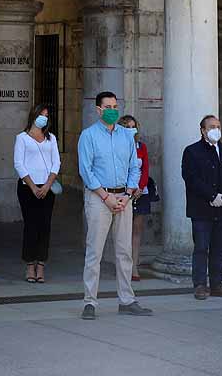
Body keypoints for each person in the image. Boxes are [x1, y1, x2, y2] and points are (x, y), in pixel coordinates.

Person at [76, 91, 151, 320]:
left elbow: (134, 167)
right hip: (99, 198)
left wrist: (128, 195)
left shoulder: (127, 136)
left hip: (124, 199)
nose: (112, 110)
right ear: (98, 109)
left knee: (124, 252)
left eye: (115, 106)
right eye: (107, 106)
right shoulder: (88, 136)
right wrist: (105, 196)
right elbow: (86, 170)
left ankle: (127, 300)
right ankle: (90, 302)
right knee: (94, 252)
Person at [181, 114, 222, 300]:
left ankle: (217, 284)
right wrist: (211, 195)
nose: (216, 130)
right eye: (212, 126)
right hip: (202, 208)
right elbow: (191, 178)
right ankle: (200, 284)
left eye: (218, 126)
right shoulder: (192, 151)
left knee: (219, 248)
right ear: (203, 130)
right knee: (201, 247)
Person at [13, 103, 60, 283]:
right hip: (28, 188)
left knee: (45, 225)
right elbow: (19, 164)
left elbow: (56, 162)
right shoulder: (22, 138)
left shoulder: (51, 138)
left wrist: (48, 184)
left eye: (47, 115)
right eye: (41, 114)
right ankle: (29, 265)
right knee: (31, 225)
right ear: (33, 115)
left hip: (48, 187)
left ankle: (41, 265)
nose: (44, 118)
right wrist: (33, 187)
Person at [117, 115, 151, 281]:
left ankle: (134, 266)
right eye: (127, 126)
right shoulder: (117, 146)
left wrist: (141, 187)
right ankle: (123, 267)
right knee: (122, 231)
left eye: (133, 126)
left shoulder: (141, 147)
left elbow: (145, 169)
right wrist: (129, 189)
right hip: (124, 193)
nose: (131, 129)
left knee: (136, 231)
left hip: (140, 192)